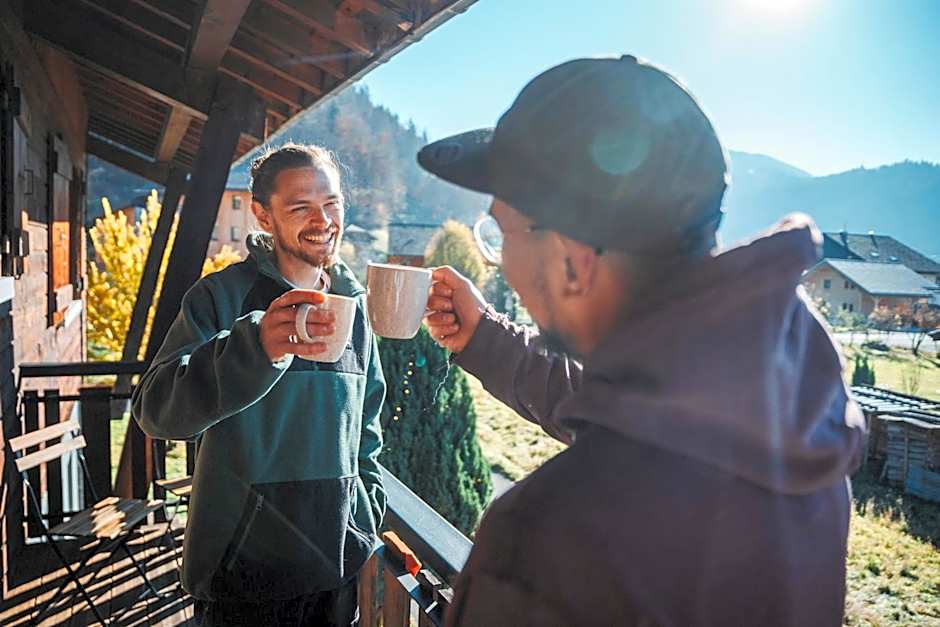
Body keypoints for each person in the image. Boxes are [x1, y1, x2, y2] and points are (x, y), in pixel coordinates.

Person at [420, 55, 865, 626]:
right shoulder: (794, 423)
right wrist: (484, 338)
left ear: (574, 264)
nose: (498, 261)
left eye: (501, 232)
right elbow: (631, 406)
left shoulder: (542, 543)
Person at [132, 143, 386, 626]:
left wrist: (363, 516)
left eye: (331, 203)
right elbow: (155, 410)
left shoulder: (354, 307)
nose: (323, 219)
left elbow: (366, 430)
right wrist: (257, 348)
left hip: (334, 573)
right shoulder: (220, 297)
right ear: (263, 216)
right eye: (300, 207)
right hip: (240, 575)